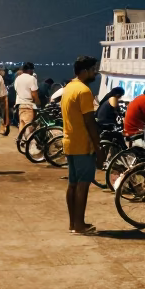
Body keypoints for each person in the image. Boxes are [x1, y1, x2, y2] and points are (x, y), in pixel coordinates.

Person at [60, 55, 104, 235]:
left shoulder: (69, 88)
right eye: (93, 69)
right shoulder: (84, 91)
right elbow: (90, 122)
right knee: (83, 185)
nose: (95, 72)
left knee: (72, 184)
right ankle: (79, 225)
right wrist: (99, 147)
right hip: (82, 145)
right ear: (84, 71)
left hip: (69, 142)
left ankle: (74, 223)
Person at [13, 62, 40, 133]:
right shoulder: (31, 78)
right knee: (29, 127)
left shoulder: (17, 78)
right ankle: (29, 143)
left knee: (22, 124)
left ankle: (21, 142)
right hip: (28, 105)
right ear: (29, 70)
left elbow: (16, 90)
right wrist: (38, 103)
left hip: (20, 105)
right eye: (32, 70)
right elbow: (34, 93)